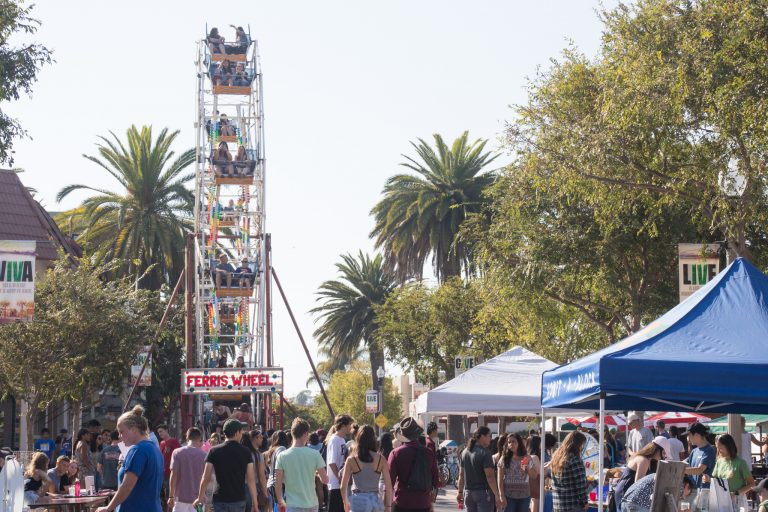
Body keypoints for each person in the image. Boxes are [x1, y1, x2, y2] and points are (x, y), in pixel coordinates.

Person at [96, 405, 164, 512]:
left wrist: (108, 508)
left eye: (121, 431)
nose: (119, 436)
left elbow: (127, 486)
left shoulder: (138, 450)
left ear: (133, 429)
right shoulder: (154, 448)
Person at [194, 419, 258, 512]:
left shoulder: (213, 451)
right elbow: (251, 479)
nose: (242, 434)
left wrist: (200, 498)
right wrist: (255, 503)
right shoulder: (246, 452)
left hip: (219, 499)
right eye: (241, 431)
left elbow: (206, 477)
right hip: (238, 499)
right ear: (237, 433)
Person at [274, 418, 329, 512]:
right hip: (312, 503)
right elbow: (325, 480)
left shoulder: (282, 456)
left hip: (293, 504)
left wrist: (280, 501)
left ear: (292, 433)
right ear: (305, 434)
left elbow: (277, 482)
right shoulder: (315, 454)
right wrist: (317, 474)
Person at [388, 417, 438, 512]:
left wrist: (387, 505)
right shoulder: (429, 453)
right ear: (418, 433)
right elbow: (435, 480)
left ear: (403, 434)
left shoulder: (395, 453)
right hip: (423, 503)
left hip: (402, 502)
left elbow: (389, 482)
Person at [341, 425, 393, 512]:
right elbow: (388, 486)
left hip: (358, 500)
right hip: (375, 500)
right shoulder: (381, 459)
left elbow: (343, 486)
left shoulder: (351, 459)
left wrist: (345, 502)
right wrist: (388, 506)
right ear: (373, 439)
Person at [613, 438, 667, 512]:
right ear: (657, 450)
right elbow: (638, 483)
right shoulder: (643, 460)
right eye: (664, 453)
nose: (664, 457)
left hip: (631, 494)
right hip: (625, 491)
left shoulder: (651, 461)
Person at [456, 426, 501, 512]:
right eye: (489, 436)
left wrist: (460, 492)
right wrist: (497, 494)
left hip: (468, 492)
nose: (490, 439)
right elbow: (490, 477)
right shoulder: (485, 453)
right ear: (482, 437)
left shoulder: (465, 452)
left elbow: (461, 475)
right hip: (483, 493)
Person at [712, 433, 754, 511]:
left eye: (721, 448)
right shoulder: (719, 462)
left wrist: (736, 493)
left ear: (729, 446)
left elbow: (752, 484)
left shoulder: (741, 463)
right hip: (722, 500)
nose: (718, 451)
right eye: (717, 448)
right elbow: (715, 480)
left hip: (738, 501)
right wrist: (708, 479)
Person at [169, 427, 207, 512]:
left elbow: (173, 475)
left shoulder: (177, 452)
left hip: (180, 499)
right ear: (200, 439)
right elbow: (207, 479)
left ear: (187, 438)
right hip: (198, 500)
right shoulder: (204, 455)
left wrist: (171, 496)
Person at [497, 433, 537, 512]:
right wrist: (501, 495)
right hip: (509, 496)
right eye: (509, 442)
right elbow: (500, 478)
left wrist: (527, 467)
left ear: (519, 443)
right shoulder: (504, 458)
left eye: (513, 441)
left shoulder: (526, 458)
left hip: (524, 496)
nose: (511, 444)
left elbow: (534, 476)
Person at [550, 431, 588, 512]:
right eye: (582, 444)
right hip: (572, 505)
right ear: (578, 445)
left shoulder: (556, 458)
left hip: (558, 504)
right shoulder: (574, 460)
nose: (583, 447)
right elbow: (580, 485)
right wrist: (584, 502)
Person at [327, 415, 355, 512]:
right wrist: (340, 478)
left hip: (341, 484)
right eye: (350, 425)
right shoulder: (334, 440)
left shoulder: (342, 439)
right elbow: (332, 462)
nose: (351, 428)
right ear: (343, 425)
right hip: (335, 485)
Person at [242, 431, 269, 512]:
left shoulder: (242, 453)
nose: (262, 439)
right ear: (254, 438)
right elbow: (261, 476)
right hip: (255, 487)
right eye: (260, 437)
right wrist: (265, 492)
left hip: (240, 487)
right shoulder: (257, 454)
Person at [684, 423, 716, 491]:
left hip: (705, 491)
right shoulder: (694, 451)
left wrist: (679, 470)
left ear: (696, 435)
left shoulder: (709, 450)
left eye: (689, 435)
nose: (688, 439)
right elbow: (683, 463)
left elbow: (699, 470)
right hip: (694, 491)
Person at [158, 425, 182, 508]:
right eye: (158, 432)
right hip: (162, 472)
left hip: (171, 472)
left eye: (161, 431)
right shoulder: (161, 443)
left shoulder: (173, 441)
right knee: (163, 496)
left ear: (166, 430)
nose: (160, 433)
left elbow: (179, 454)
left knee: (170, 495)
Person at [266, 430, 291, 505]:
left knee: (276, 508)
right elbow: (283, 464)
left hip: (272, 483)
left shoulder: (272, 449)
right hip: (278, 484)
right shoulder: (281, 449)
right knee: (281, 507)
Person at [526, 436, 543, 512]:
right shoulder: (535, 457)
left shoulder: (525, 456)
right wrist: (548, 466)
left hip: (527, 482)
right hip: (535, 482)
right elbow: (540, 472)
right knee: (535, 502)